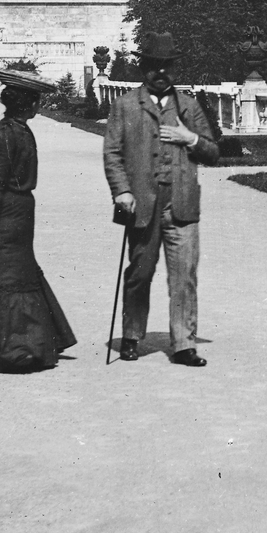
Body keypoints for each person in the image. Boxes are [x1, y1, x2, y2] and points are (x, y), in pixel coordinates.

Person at [102, 32, 219, 367]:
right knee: (139, 272)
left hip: (181, 204)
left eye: (166, 66)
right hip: (142, 204)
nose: (161, 73)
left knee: (184, 276)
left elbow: (212, 152)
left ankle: (184, 344)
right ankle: (131, 336)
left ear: (174, 68)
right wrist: (121, 190)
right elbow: (112, 153)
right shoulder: (125, 105)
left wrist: (190, 137)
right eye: (154, 65)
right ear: (143, 67)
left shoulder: (188, 106)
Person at [0, 67, 77, 372]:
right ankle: (18, 346)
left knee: (11, 277)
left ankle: (17, 343)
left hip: (15, 215)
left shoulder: (15, 130)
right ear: (25, 103)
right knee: (7, 278)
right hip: (4, 216)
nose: (38, 105)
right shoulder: (7, 134)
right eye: (35, 100)